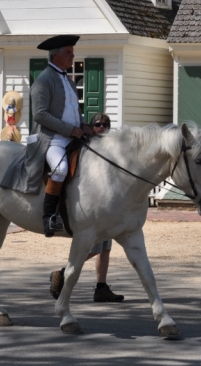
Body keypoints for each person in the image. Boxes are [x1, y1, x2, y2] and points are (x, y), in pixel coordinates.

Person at [0, 34, 92, 237]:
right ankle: (49, 216)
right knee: (60, 169)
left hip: (74, 138)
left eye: (72, 52)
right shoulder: (43, 80)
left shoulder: (68, 81)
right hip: (52, 140)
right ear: (56, 55)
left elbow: (74, 111)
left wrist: (83, 125)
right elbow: (40, 115)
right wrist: (70, 130)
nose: (72, 56)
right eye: (68, 52)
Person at [49, 113, 124, 303]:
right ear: (92, 127)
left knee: (105, 248)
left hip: (108, 204)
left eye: (105, 125)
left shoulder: (110, 147)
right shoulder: (87, 145)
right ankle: (62, 273)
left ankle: (101, 286)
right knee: (93, 247)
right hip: (93, 205)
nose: (102, 128)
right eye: (98, 125)